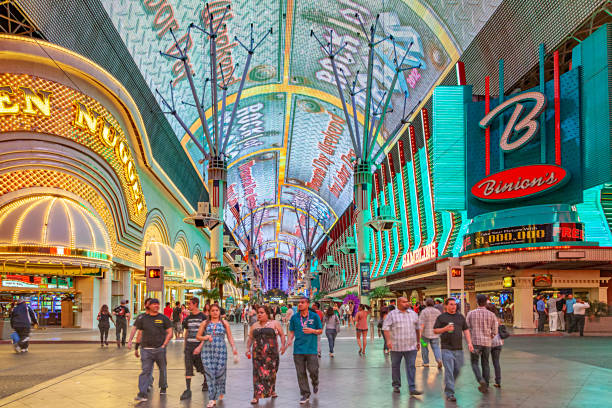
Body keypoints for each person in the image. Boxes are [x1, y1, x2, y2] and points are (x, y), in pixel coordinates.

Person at [196, 304, 238, 408]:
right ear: (209, 312)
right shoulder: (204, 323)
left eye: (217, 310)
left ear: (219, 312)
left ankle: (220, 390)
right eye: (213, 310)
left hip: (221, 352)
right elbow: (198, 336)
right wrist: (205, 337)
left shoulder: (224, 323)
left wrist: (234, 349)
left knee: (220, 373)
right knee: (209, 374)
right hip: (207, 352)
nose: (215, 312)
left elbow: (230, 337)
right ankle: (212, 398)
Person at [433, 298, 473, 402]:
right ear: (446, 306)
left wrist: (469, 343)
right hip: (446, 348)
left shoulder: (460, 317)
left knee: (458, 368)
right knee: (449, 371)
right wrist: (445, 329)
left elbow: (466, 330)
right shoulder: (441, 317)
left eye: (455, 304)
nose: (453, 306)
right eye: (451, 304)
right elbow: (435, 330)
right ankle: (450, 393)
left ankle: (448, 383)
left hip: (459, 348)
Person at [133, 298, 173, 402]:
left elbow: (170, 332)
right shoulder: (143, 318)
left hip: (159, 350)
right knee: (145, 371)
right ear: (149, 306)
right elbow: (140, 333)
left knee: (162, 369)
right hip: (146, 350)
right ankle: (142, 393)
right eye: (154, 304)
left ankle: (163, 386)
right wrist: (136, 347)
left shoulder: (163, 318)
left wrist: (164, 345)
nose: (156, 306)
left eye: (157, 304)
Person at [382, 296, 423, 396]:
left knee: (411, 366)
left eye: (407, 302)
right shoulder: (392, 314)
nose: (407, 303)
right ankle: (396, 385)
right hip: (396, 346)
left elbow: (418, 328)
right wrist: (388, 341)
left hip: (411, 346)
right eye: (404, 302)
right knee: (395, 366)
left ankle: (412, 387)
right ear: (399, 303)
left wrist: (418, 342)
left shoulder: (413, 314)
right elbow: (385, 328)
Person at [246, 305, 286, 404]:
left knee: (271, 373)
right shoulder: (254, 325)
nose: (259, 314)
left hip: (271, 354)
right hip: (258, 354)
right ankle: (256, 396)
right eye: (258, 313)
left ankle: (272, 390)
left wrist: (283, 345)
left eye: (261, 312)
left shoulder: (274, 323)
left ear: (267, 314)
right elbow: (250, 338)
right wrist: (247, 348)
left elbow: (282, 334)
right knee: (257, 374)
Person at [287, 297, 323, 405]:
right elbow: (292, 331)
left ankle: (315, 382)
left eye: (302, 303)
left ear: (307, 304)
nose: (300, 304)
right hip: (298, 350)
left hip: (311, 349)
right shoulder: (294, 318)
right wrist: (289, 341)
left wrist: (313, 330)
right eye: (299, 303)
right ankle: (305, 393)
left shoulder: (315, 316)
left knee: (313, 370)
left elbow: (320, 331)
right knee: (300, 373)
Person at [466, 294, 498, 394]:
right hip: (487, 343)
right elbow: (495, 330)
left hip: (475, 342)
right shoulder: (491, 315)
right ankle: (486, 385)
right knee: (485, 363)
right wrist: (490, 336)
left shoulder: (471, 313)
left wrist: (469, 339)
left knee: (474, 362)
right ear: (486, 302)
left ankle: (481, 380)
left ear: (477, 301)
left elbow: (466, 327)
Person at [180, 297, 208, 400]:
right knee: (188, 367)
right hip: (189, 347)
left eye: (190, 304)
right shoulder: (188, 318)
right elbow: (187, 331)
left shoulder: (203, 317)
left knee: (200, 367)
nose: (188, 306)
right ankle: (188, 389)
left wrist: (200, 347)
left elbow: (206, 334)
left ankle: (206, 380)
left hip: (199, 347)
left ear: (195, 304)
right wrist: (185, 344)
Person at [418, 298, 442, 369]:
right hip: (435, 334)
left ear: (426, 304)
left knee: (424, 347)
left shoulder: (424, 312)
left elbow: (421, 324)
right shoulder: (437, 311)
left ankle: (426, 362)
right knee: (436, 347)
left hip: (425, 335)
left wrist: (419, 335)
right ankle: (438, 359)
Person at [485, 304, 504, 388]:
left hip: (488, 342)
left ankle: (486, 381)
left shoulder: (486, 319)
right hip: (498, 343)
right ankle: (498, 381)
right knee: (496, 362)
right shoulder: (498, 319)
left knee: (485, 362)